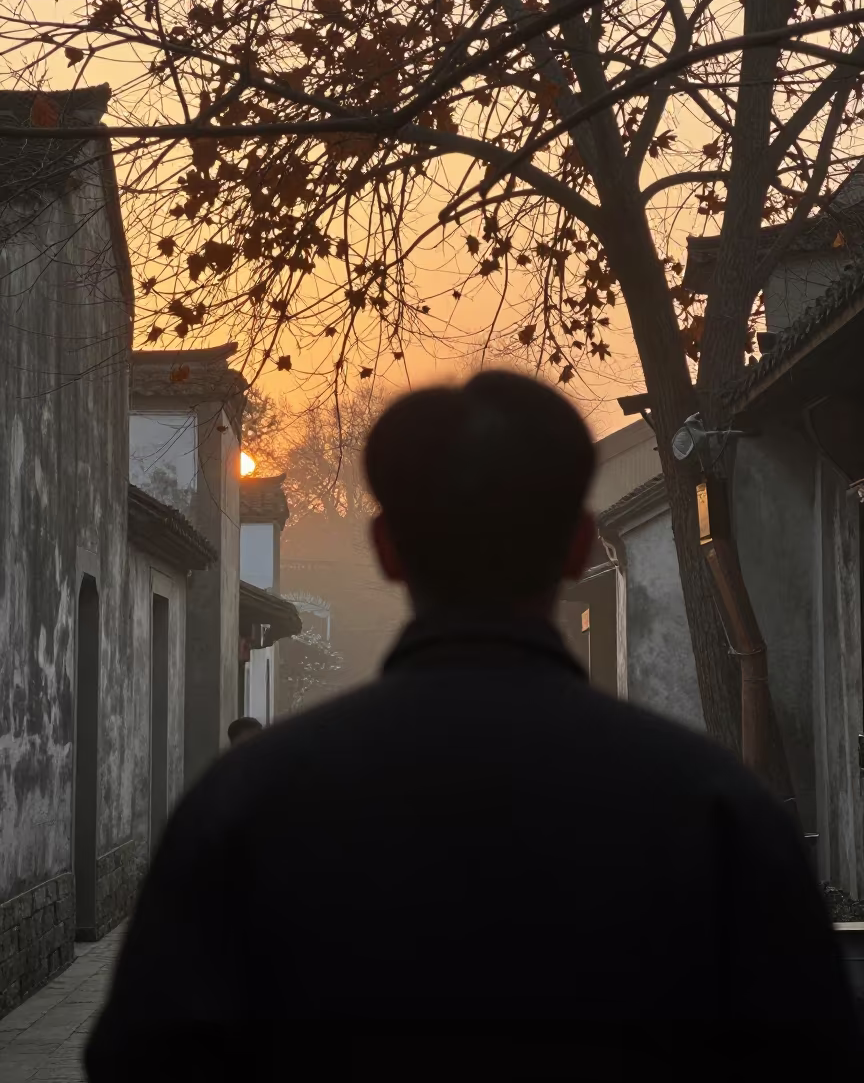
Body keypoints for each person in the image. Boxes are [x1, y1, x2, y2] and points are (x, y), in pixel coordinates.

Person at [86, 372, 859, 1081]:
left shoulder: (248, 803)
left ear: (388, 551)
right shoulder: (714, 807)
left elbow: (144, 1058)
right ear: (578, 545)